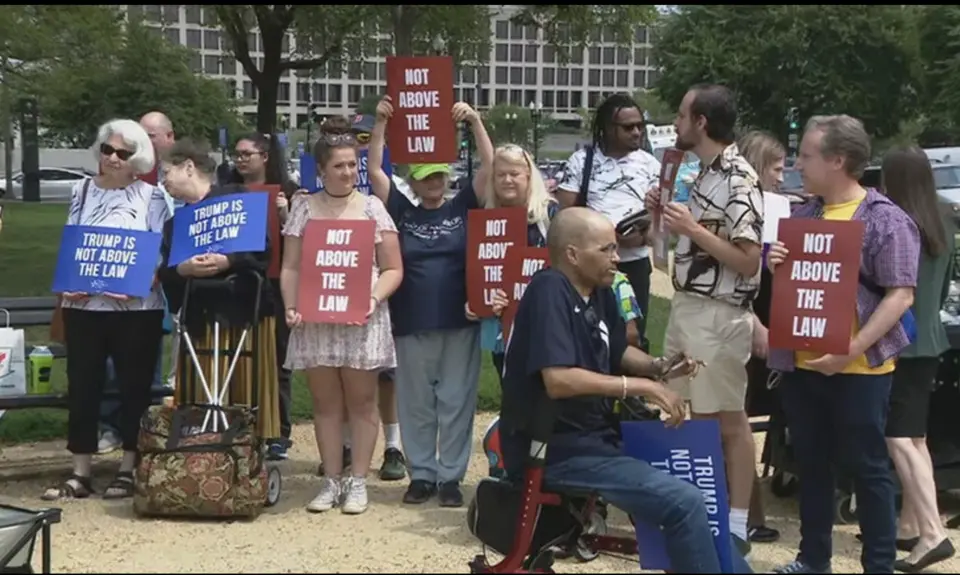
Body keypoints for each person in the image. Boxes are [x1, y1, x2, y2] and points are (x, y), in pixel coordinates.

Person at [498, 206, 753, 574]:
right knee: (684, 502)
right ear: (572, 254)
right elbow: (558, 380)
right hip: (557, 449)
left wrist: (660, 366)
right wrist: (641, 387)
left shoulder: (598, 291)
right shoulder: (549, 289)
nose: (617, 258)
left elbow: (616, 350)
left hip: (598, 439)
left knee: (702, 495)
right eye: (606, 250)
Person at [766, 115, 921, 574]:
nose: (798, 163)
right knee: (811, 465)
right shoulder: (802, 215)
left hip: (859, 371)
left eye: (808, 156)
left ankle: (878, 564)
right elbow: (798, 288)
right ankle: (813, 560)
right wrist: (777, 263)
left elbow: (901, 294)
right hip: (804, 365)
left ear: (838, 160)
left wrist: (853, 348)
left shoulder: (885, 219)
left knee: (868, 468)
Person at [645, 84, 764, 552]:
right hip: (690, 307)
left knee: (727, 420)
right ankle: (700, 510)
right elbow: (687, 249)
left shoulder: (739, 178)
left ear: (701, 123)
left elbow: (749, 260)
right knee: (683, 411)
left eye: (680, 115)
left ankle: (736, 522)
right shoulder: (702, 175)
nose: (675, 122)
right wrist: (667, 219)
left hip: (720, 315)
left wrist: (691, 228)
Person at [41, 118, 170, 501]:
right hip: (84, 307)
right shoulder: (81, 191)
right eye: (108, 150)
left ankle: (128, 468)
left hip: (136, 309)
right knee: (83, 386)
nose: (113, 158)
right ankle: (80, 471)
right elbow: (73, 242)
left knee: (134, 388)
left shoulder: (154, 197)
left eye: (122, 153)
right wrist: (68, 288)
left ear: (137, 158)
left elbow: (160, 253)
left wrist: (146, 278)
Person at [280, 116, 403, 515]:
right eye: (339, 165)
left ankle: (358, 481)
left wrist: (372, 298)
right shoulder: (304, 208)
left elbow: (393, 268)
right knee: (325, 403)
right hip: (316, 318)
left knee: (363, 402)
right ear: (321, 169)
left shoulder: (373, 208)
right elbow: (292, 267)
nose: (348, 172)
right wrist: (290, 305)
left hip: (361, 318)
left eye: (353, 164)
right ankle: (331, 479)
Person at [368, 96, 486, 507]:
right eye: (426, 177)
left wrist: (474, 122)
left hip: (460, 320)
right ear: (413, 182)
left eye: (439, 174)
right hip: (411, 320)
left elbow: (489, 169)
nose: (434, 181)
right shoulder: (401, 210)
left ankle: (451, 477)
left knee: (456, 401)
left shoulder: (463, 206)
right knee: (416, 403)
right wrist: (381, 123)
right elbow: (374, 171)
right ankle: (422, 474)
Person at [157, 138, 281, 443]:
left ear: (188, 167)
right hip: (198, 318)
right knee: (200, 392)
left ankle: (252, 442)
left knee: (246, 387)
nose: (164, 181)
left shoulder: (236, 196)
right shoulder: (175, 224)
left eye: (167, 173)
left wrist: (229, 259)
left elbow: (262, 251)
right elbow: (167, 275)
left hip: (243, 312)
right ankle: (203, 442)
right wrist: (182, 270)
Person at [318, 113, 416, 482]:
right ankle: (341, 450)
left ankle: (392, 445)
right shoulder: (311, 196)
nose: (347, 166)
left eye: (349, 137)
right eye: (331, 134)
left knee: (382, 382)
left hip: (368, 303)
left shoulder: (374, 193)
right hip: (326, 306)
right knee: (334, 390)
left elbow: (374, 168)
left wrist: (379, 126)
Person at [879, 146, 956, 572]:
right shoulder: (944, 216)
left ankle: (931, 531)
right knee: (916, 438)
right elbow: (943, 287)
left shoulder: (895, 219)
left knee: (898, 438)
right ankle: (912, 522)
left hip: (900, 342)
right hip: (931, 338)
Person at [555, 93, 661, 350]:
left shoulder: (650, 165)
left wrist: (641, 235)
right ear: (607, 128)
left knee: (633, 337)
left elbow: (661, 226)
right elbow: (565, 218)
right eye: (628, 127)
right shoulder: (582, 162)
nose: (636, 132)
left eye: (640, 126)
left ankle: (630, 388)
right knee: (589, 334)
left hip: (633, 264)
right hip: (590, 267)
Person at [227, 132, 300, 461]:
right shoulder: (226, 192)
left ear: (265, 157)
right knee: (240, 355)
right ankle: (242, 424)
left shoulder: (289, 193)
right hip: (238, 282)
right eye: (238, 154)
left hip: (276, 284)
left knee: (279, 358)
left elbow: (301, 241)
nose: (241, 160)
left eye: (248, 154)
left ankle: (279, 431)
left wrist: (286, 213)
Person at [462, 138, 560, 380]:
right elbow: (479, 271)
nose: (507, 180)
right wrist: (475, 302)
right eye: (500, 175)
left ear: (529, 176)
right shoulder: (485, 220)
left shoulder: (550, 215)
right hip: (502, 328)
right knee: (513, 395)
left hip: (546, 323)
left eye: (514, 173)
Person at [737, 130, 789, 545]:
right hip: (752, 324)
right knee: (735, 419)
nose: (782, 174)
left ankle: (749, 509)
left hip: (770, 320)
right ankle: (747, 512)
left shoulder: (780, 207)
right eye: (776, 166)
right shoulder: (752, 208)